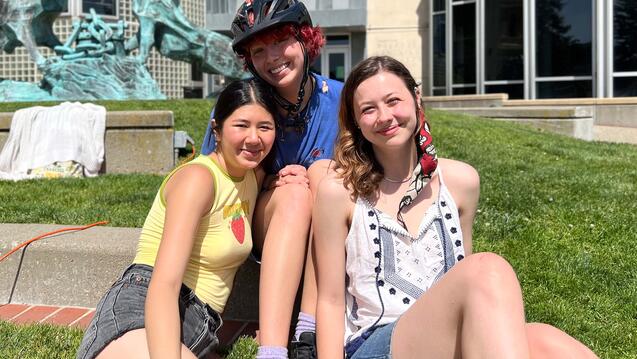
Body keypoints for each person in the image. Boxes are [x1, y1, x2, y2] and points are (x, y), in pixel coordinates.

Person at [313, 56, 598, 358]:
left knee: (550, 343)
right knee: (487, 269)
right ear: (356, 122)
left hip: (445, 339)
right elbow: (330, 300)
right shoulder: (340, 193)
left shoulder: (461, 182)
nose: (384, 116)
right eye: (368, 109)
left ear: (416, 98)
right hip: (376, 345)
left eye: (393, 100)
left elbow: (466, 287)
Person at [76, 78, 277, 359]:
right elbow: (164, 284)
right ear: (216, 130)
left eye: (264, 127)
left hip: (198, 324)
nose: (254, 138)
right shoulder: (199, 179)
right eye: (241, 125)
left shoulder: (252, 176)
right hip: (146, 303)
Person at [201, 1, 343, 358]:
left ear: (306, 40)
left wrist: (320, 178)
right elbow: (212, 178)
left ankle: (307, 333)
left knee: (322, 174)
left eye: (281, 41)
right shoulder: (243, 102)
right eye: (259, 50)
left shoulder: (341, 100)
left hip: (326, 228)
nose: (272, 57)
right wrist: (266, 181)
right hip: (255, 220)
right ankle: (274, 351)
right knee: (296, 192)